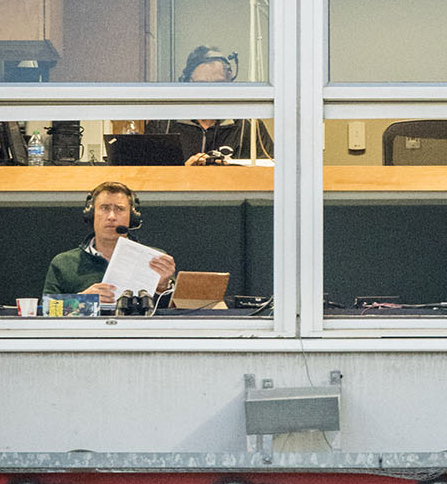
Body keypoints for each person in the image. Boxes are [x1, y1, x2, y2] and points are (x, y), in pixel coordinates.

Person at [43, 181, 175, 303]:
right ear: (92, 214)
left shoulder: (155, 259)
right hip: (88, 329)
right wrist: (84, 300)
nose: (111, 216)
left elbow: (177, 313)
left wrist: (163, 287)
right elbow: (47, 312)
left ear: (132, 217)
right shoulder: (64, 263)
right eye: (105, 208)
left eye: (119, 209)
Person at [145, 45, 274, 165]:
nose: (210, 91)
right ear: (186, 83)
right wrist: (184, 172)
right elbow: (145, 177)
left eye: (218, 83)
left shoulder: (248, 126)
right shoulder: (163, 125)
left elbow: (271, 173)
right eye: (201, 83)